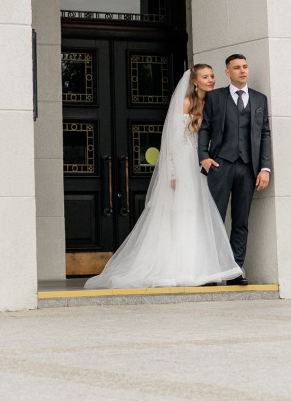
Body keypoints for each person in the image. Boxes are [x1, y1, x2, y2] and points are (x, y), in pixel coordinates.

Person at [85, 64, 243, 289]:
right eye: (205, 77)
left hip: (204, 166)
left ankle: (202, 269)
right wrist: (174, 173)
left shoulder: (213, 103)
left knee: (200, 215)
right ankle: (181, 269)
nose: (211, 80)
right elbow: (173, 141)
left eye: (212, 76)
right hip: (184, 164)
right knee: (183, 214)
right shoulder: (185, 102)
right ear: (195, 81)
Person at [197, 53, 271, 283]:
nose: (242, 71)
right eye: (237, 67)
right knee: (215, 221)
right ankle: (212, 272)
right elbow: (205, 128)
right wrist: (204, 157)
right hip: (220, 165)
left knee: (241, 221)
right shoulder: (215, 97)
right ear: (227, 72)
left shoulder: (260, 99)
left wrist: (265, 168)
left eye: (245, 66)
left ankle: (235, 272)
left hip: (248, 168)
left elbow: (265, 133)